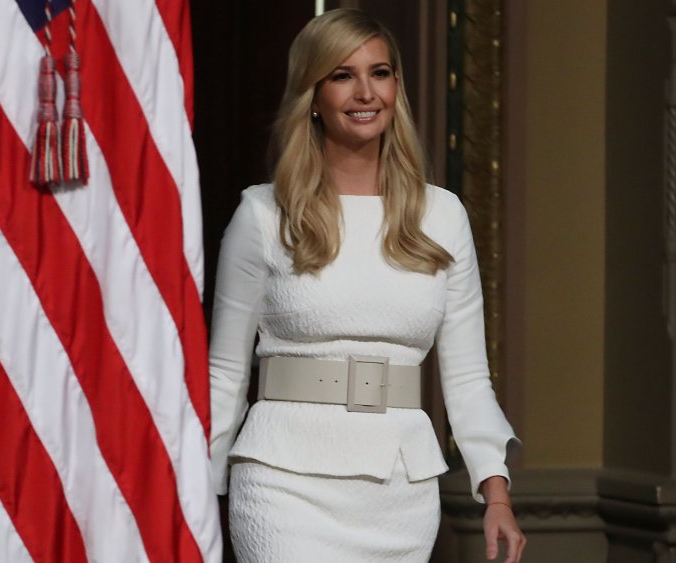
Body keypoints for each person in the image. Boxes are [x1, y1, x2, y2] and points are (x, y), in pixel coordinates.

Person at [208, 8, 525, 562]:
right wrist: (197, 493)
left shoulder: (442, 216)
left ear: (396, 87)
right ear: (312, 92)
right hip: (283, 484)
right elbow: (226, 374)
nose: (364, 91)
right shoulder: (262, 215)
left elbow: (469, 376)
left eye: (379, 73)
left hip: (399, 490)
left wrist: (494, 492)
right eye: (341, 74)